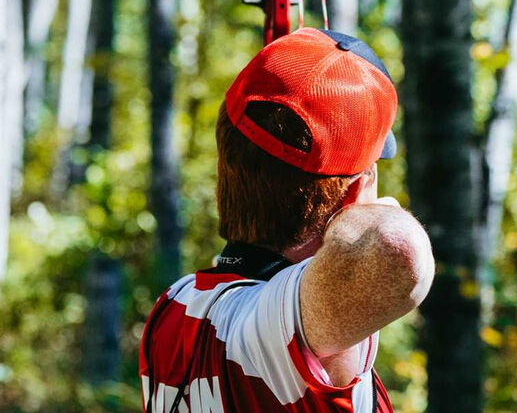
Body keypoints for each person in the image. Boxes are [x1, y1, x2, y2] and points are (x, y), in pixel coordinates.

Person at [139, 28, 434, 413]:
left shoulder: (175, 306)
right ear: (351, 197)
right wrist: (362, 209)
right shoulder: (279, 334)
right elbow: (397, 248)